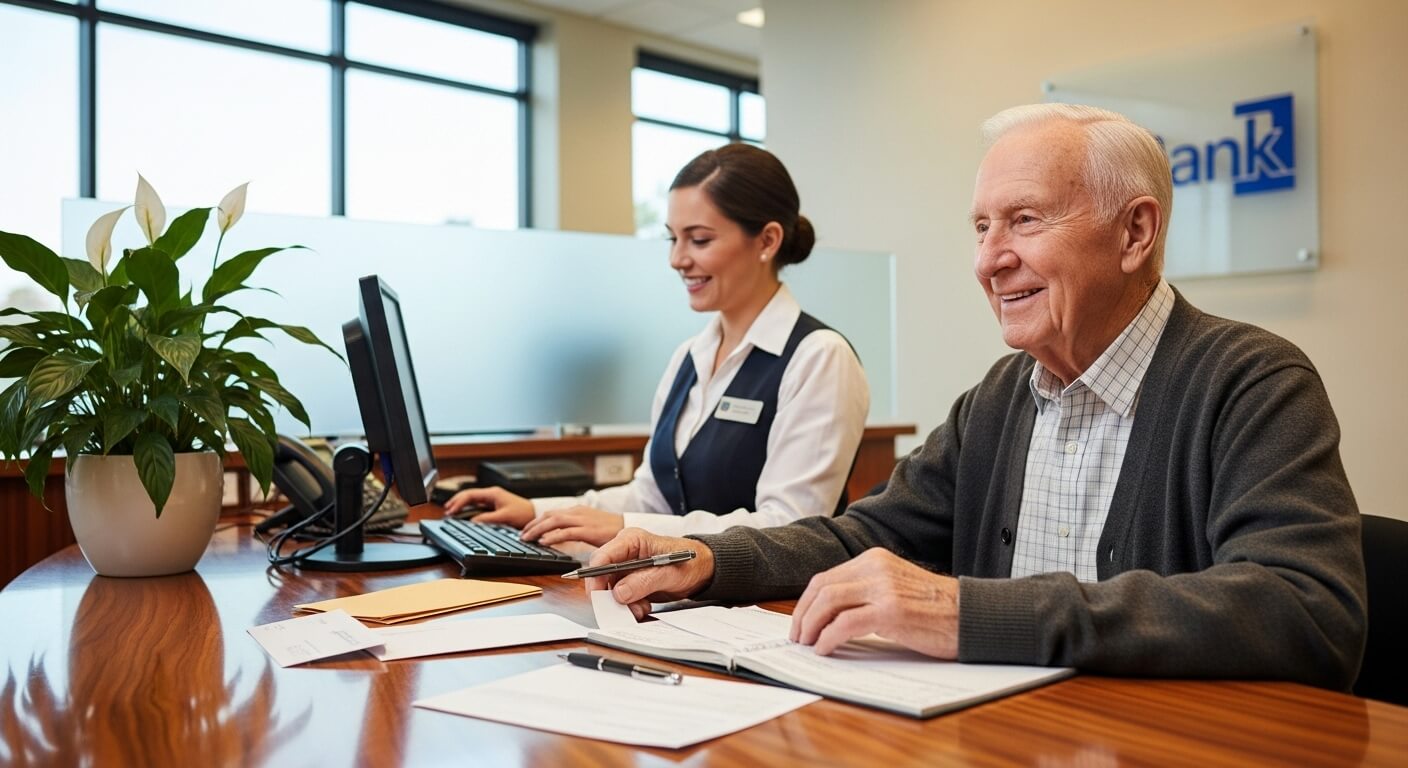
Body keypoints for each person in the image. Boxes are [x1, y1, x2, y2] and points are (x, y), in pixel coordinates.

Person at [582, 104, 1368, 691]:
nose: (989, 261)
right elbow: (862, 538)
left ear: (1134, 235)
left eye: (1024, 220)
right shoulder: (1000, 397)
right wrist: (708, 554)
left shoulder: (1252, 381)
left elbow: (1306, 610)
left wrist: (970, 612)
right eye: (982, 227)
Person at [445, 144, 869, 547]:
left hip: (769, 612)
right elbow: (651, 498)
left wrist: (626, 528)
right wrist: (536, 509)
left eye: (699, 240)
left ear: (767, 240)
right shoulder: (690, 356)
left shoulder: (819, 357)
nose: (677, 259)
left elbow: (789, 529)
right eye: (673, 238)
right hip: (684, 599)